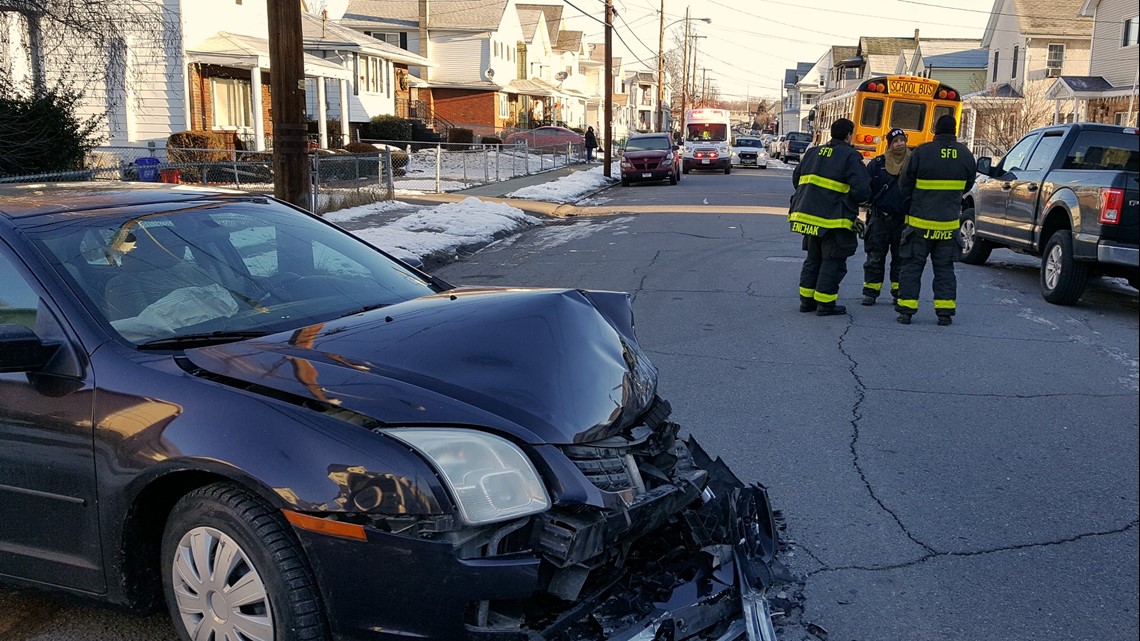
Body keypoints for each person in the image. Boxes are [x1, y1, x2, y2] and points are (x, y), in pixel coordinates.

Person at [896, 114, 977, 326]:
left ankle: (906, 311)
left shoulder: (921, 152)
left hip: (919, 225)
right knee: (944, 269)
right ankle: (944, 313)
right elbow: (968, 186)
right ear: (955, 131)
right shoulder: (965, 155)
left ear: (936, 130)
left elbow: (904, 183)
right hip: (948, 227)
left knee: (912, 267)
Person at [789, 118, 872, 316]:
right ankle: (825, 304)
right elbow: (862, 191)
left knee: (813, 259)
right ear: (848, 135)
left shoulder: (813, 152)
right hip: (835, 220)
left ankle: (806, 301)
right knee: (833, 262)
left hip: (810, 218)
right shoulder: (850, 157)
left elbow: (797, 179)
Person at [860, 128, 912, 306]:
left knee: (901, 259)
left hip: (903, 220)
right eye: (895, 141)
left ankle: (898, 293)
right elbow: (867, 187)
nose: (900, 144)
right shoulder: (877, 164)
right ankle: (870, 292)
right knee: (874, 257)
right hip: (879, 219)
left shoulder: (913, 163)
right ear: (889, 144)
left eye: (902, 140)